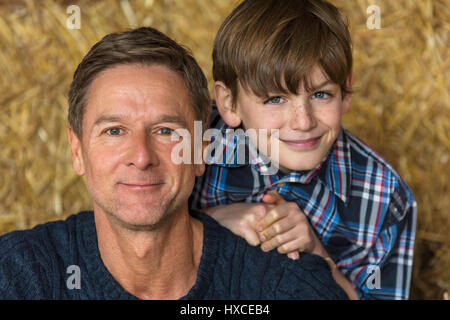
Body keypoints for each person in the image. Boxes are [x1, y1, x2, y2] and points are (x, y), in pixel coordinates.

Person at [0, 27, 347, 300]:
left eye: (166, 131)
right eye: (114, 131)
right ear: (77, 150)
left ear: (202, 151)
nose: (141, 156)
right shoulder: (20, 274)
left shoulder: (286, 287)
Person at [190, 0, 417, 300]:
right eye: (275, 99)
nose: (303, 121)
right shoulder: (193, 144)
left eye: (321, 94)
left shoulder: (386, 198)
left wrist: (316, 253)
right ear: (229, 103)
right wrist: (206, 223)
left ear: (345, 90)